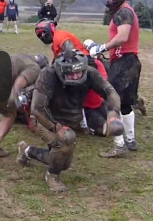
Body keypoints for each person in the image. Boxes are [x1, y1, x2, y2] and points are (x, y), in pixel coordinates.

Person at [16, 47, 124, 192]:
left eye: (78, 72)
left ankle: (27, 151)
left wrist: (113, 115)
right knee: (62, 146)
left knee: (63, 162)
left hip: (70, 120)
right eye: (71, 74)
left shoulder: (90, 73)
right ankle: (52, 176)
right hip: (44, 118)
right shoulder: (48, 75)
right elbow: (37, 108)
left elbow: (109, 91)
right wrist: (56, 127)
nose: (75, 76)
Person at [35, 19, 119, 139]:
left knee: (90, 101)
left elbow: (70, 52)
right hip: (81, 66)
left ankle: (101, 122)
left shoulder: (60, 35)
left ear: (51, 27)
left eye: (43, 32)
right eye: (39, 35)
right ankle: (99, 123)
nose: (42, 36)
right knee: (89, 100)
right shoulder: (55, 43)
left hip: (83, 66)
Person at [84, 0, 141, 157]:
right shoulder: (126, 11)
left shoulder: (123, 12)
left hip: (125, 61)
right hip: (129, 60)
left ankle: (120, 145)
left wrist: (102, 47)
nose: (108, 0)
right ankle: (130, 140)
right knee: (125, 104)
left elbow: (122, 37)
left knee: (112, 102)